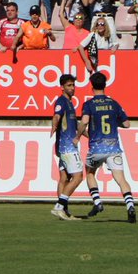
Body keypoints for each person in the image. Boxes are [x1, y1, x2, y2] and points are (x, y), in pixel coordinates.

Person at [76, 71, 136, 223]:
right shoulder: (114, 103)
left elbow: (84, 121)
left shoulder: (89, 104)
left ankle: (97, 202)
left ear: (92, 86)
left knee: (89, 173)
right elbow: (127, 124)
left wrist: (77, 137)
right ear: (105, 85)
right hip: (113, 148)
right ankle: (130, 205)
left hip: (96, 149)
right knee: (121, 179)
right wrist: (116, 122)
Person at [50, 73, 84, 221]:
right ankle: (59, 206)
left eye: (73, 85)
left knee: (64, 178)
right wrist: (53, 126)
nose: (72, 88)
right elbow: (56, 115)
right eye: (69, 85)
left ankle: (63, 211)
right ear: (62, 87)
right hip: (68, 147)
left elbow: (75, 124)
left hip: (64, 147)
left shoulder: (70, 103)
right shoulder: (61, 101)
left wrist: (87, 134)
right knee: (78, 177)